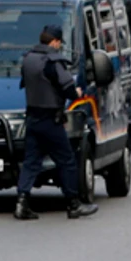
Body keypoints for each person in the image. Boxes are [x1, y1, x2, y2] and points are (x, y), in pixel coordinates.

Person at [13, 25, 97, 221]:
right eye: (59, 43)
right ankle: (73, 204)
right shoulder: (53, 61)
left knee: (31, 162)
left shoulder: (28, 59)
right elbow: (68, 87)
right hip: (51, 119)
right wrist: (76, 93)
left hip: (32, 118)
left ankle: (21, 202)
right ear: (55, 42)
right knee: (67, 160)